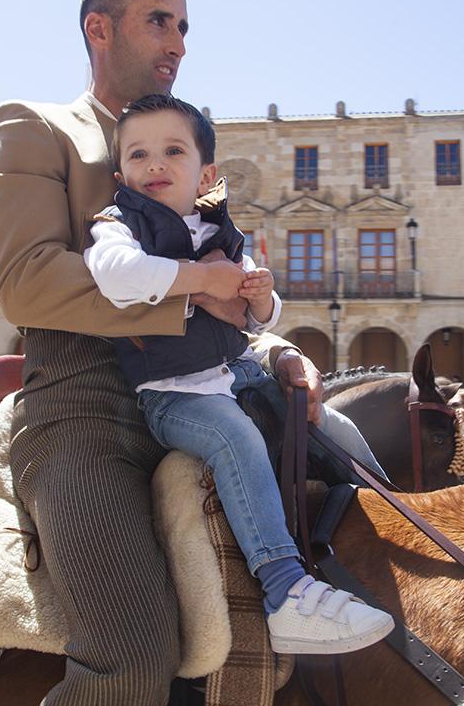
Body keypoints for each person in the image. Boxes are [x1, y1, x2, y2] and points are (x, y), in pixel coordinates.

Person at [0, 0, 348, 704]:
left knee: (355, 492)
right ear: (99, 28)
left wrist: (272, 346)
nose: (177, 40)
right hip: (88, 415)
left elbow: (222, 268)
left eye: (184, 26)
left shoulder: (184, 150)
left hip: (209, 388)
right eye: (159, 20)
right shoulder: (37, 128)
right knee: (133, 659)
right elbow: (27, 279)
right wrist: (191, 297)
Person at [86, 93, 394, 652]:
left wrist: (261, 296)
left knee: (328, 421)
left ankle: (391, 505)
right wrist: (202, 280)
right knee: (237, 439)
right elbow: (115, 275)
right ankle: (285, 592)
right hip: (173, 393)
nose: (154, 164)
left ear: (205, 173)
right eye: (138, 155)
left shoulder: (217, 227)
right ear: (120, 174)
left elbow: (262, 314)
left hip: (235, 369)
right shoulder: (118, 224)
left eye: (172, 151)